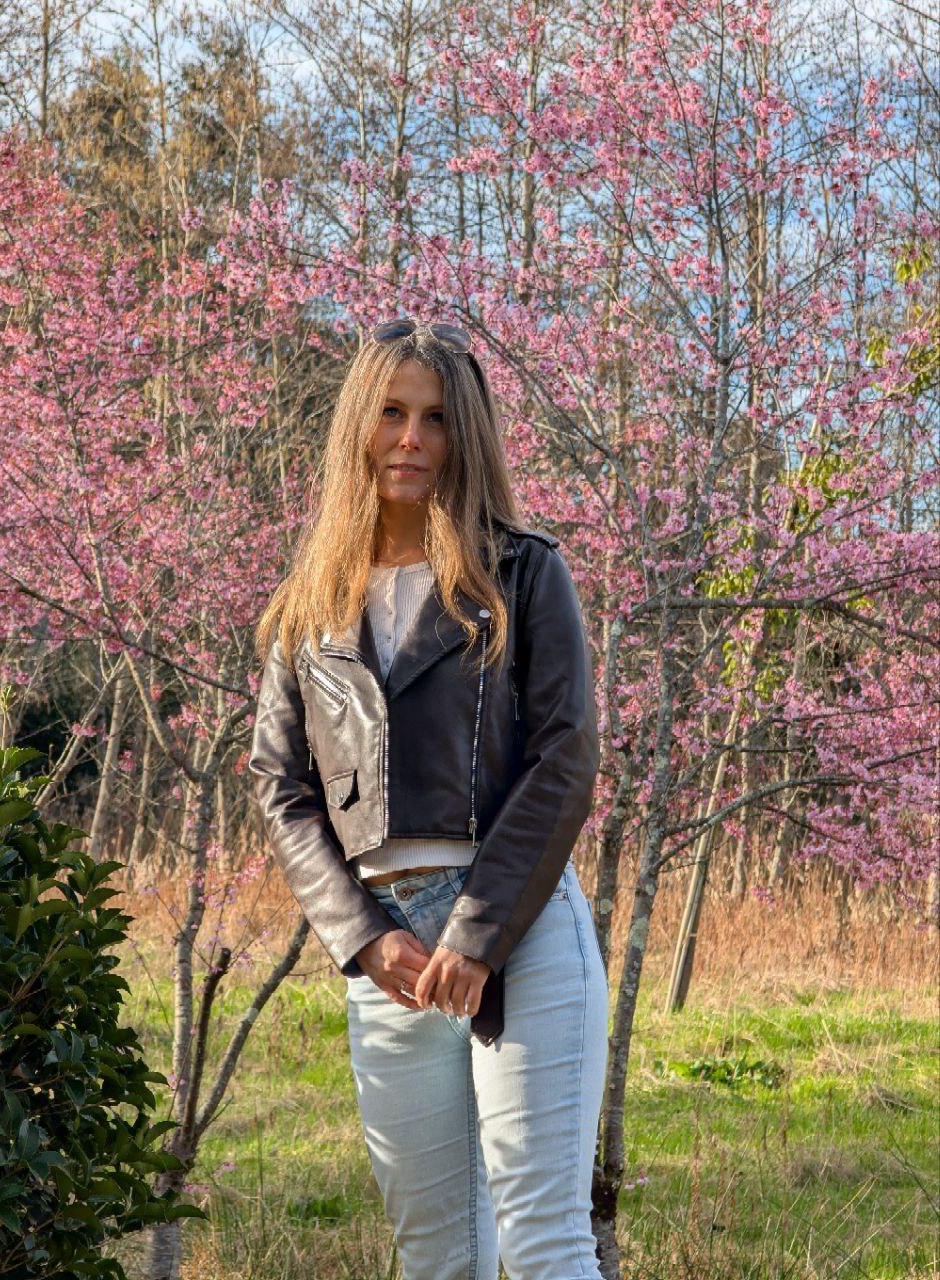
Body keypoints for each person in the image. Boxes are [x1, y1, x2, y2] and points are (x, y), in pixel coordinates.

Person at [248, 315, 609, 1279]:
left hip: (521, 930)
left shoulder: (524, 573)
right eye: (392, 413)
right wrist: (365, 938)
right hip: (390, 956)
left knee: (543, 1242)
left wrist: (478, 935)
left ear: (467, 435)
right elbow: (281, 786)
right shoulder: (311, 600)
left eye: (437, 418)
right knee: (436, 1257)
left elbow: (567, 757)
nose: (411, 438)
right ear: (357, 427)